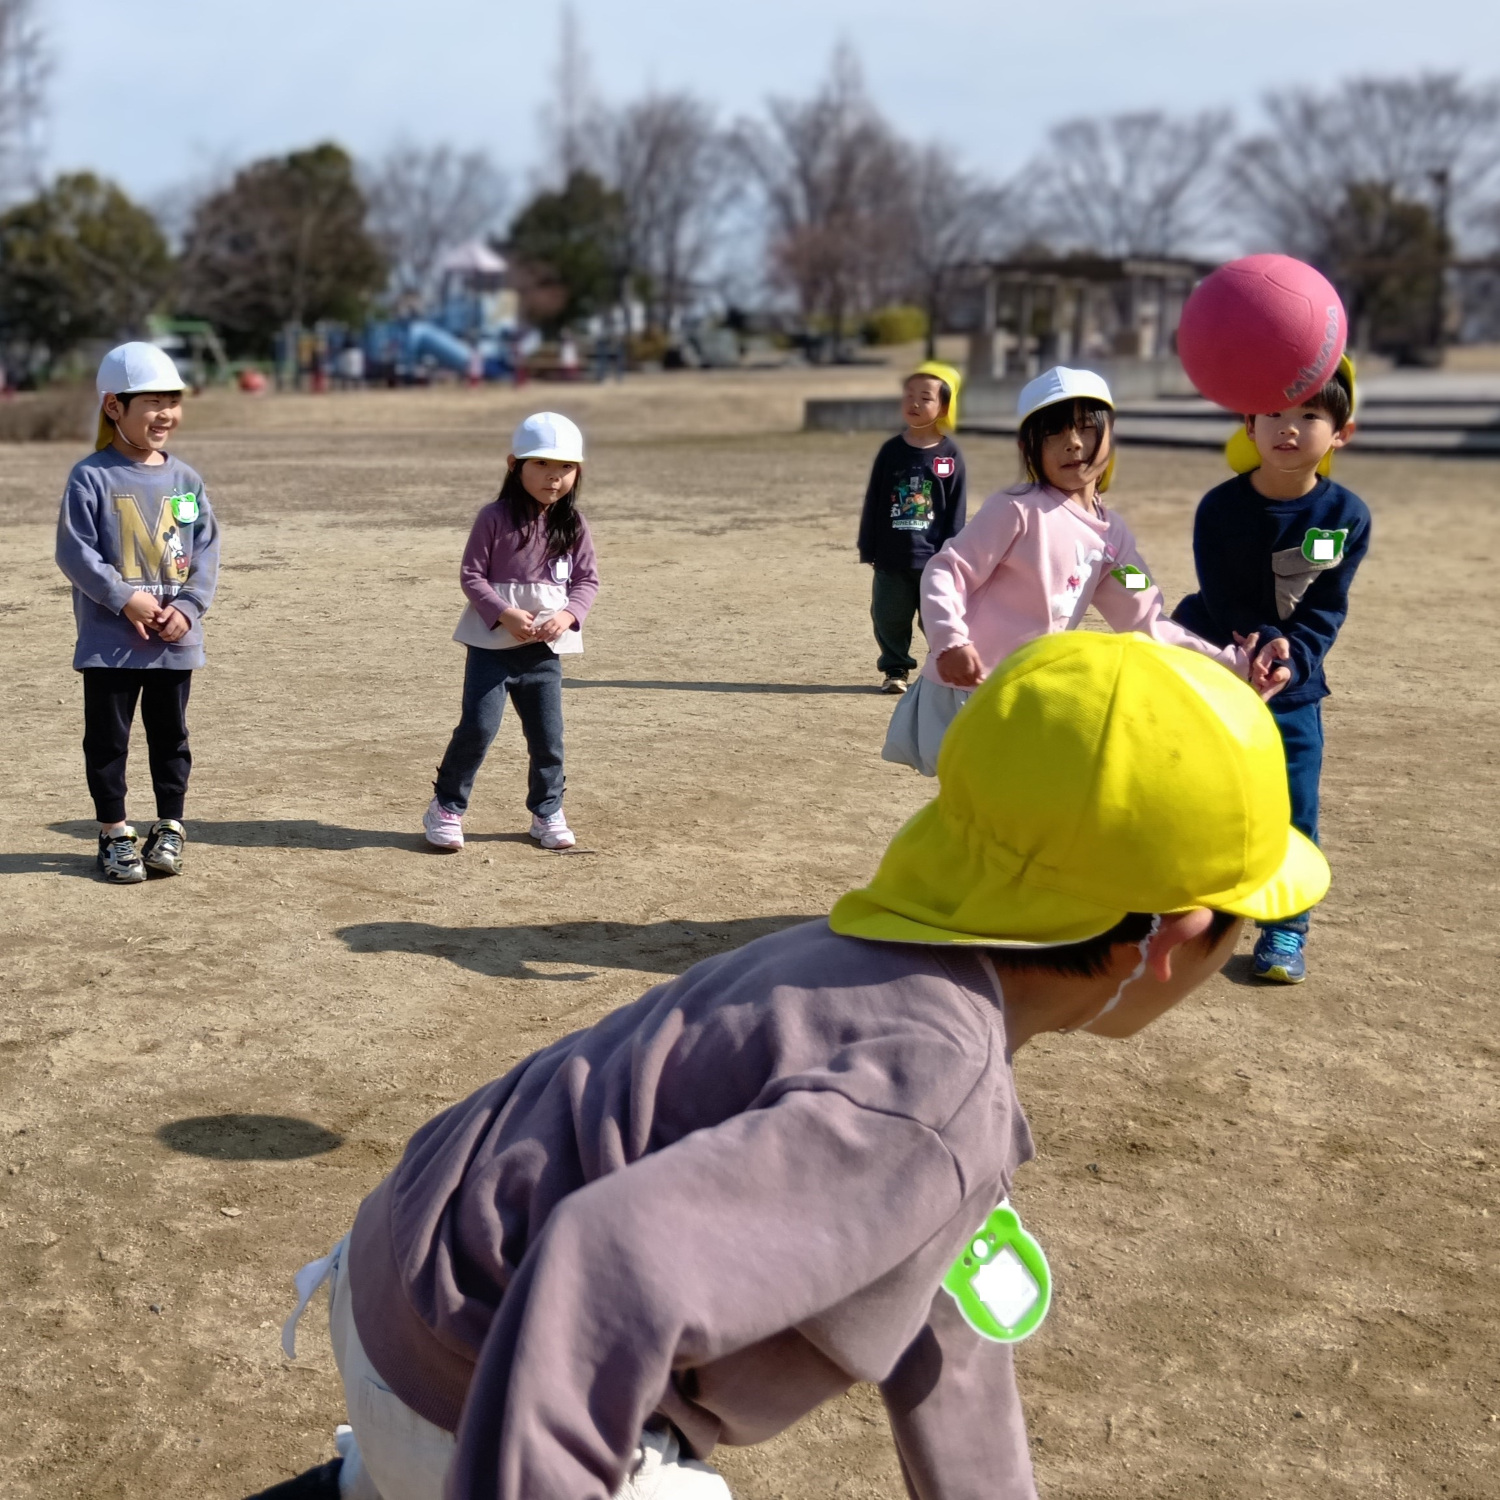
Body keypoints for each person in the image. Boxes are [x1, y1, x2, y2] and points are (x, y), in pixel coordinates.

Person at [254, 630, 1328, 1500]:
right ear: (1170, 935)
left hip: (395, 1276)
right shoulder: (937, 1093)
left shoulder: (870, 970)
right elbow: (605, 1261)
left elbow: (946, 1329)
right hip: (478, 1377)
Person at [883, 365, 1288, 776]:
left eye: (1086, 428)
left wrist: (1231, 663)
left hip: (1030, 695)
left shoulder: (1112, 539)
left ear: (1110, 436)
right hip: (967, 687)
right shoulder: (1016, 509)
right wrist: (949, 640)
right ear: (1028, 446)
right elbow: (946, 570)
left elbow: (1148, 619)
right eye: (1053, 433)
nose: (1073, 444)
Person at [1172, 355, 1369, 984]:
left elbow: (1326, 607)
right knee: (1207, 796)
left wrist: (1295, 656)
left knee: (1294, 810)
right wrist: (1257, 643)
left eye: (1309, 415)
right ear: (1248, 426)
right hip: (1217, 673)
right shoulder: (1220, 509)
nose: (1289, 428)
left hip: (1293, 690)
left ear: (1340, 432)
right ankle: (1196, 915)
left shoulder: (1347, 516)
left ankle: (1285, 931)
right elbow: (1220, 594)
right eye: (1273, 415)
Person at [54, 342, 221, 884]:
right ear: (113, 407)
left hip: (173, 642)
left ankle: (170, 826)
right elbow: (75, 552)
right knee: (108, 741)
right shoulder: (91, 477)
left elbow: (204, 551)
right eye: (151, 402)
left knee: (171, 738)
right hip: (110, 642)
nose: (165, 413)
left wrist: (189, 609)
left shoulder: (186, 481)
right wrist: (125, 597)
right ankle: (114, 833)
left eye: (171, 401)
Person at [421, 412, 599, 853]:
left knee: (547, 736)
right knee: (478, 728)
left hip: (543, 653)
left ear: (578, 473)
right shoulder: (494, 517)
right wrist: (504, 613)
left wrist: (568, 615)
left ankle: (547, 811)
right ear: (514, 464)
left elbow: (587, 582)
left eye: (565, 468)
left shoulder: (573, 526)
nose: (553, 478)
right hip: (491, 648)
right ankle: (446, 807)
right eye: (540, 465)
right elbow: (472, 576)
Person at [856, 361, 967, 694]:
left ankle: (941, 670)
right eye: (909, 395)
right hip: (891, 556)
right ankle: (895, 669)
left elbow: (955, 510)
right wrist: (869, 546)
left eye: (925, 397)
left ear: (945, 406)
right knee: (889, 616)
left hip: (933, 557)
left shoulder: (949, 455)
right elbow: (874, 500)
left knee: (936, 617)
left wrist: (954, 553)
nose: (915, 403)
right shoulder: (891, 451)